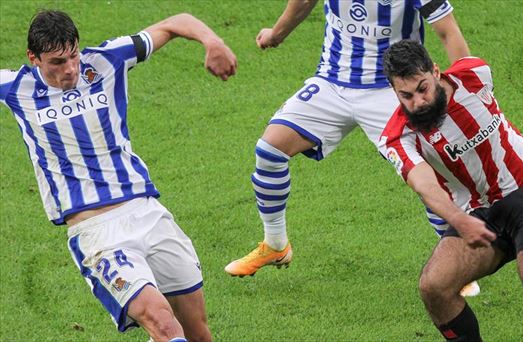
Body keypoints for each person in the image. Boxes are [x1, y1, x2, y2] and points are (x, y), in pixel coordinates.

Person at [0, 10, 237, 342]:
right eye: (56, 62)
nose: (70, 69)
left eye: (73, 56)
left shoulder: (108, 60)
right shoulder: (15, 87)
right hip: (98, 234)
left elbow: (175, 23)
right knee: (163, 323)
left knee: (197, 331)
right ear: (33, 58)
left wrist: (213, 41)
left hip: (149, 213)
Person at [224, 0, 476, 292]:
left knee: (426, 169)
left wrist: (468, 85)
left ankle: (455, 264)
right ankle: (275, 244)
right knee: (270, 151)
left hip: (390, 90)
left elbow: (448, 31)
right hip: (331, 83)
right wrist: (276, 34)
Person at [379, 39, 523, 341]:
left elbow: (451, 33)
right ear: (394, 91)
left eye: (423, 88)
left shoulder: (474, 74)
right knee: (434, 286)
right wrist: (460, 220)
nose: (418, 102)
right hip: (477, 215)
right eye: (406, 95)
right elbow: (425, 186)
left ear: (435, 71)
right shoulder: (397, 138)